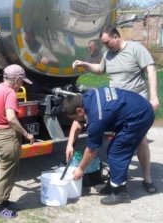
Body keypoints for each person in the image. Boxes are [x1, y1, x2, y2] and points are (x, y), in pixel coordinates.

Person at [71, 25, 160, 193]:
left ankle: (147, 178)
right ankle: (116, 181)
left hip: (135, 104)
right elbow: (99, 69)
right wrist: (84, 64)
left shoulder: (136, 49)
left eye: (107, 42)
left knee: (140, 140)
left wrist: (154, 96)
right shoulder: (108, 54)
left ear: (115, 36)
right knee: (117, 145)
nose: (106, 46)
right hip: (116, 106)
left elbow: (151, 70)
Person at [63, 87, 155, 205]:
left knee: (117, 152)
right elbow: (77, 123)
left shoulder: (96, 119)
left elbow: (92, 150)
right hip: (136, 106)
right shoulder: (86, 98)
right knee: (114, 150)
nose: (76, 120)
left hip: (140, 116)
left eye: (75, 117)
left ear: (80, 111)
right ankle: (112, 185)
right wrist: (70, 145)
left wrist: (80, 169)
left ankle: (120, 193)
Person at [0, 64, 35, 218]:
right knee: (7, 172)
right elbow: (11, 118)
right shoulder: (10, 93)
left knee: (2, 168)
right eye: (22, 81)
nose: (22, 85)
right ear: (17, 79)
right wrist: (27, 134)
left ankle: (4, 200)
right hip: (7, 137)